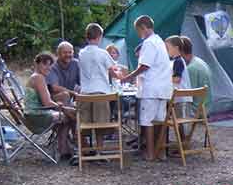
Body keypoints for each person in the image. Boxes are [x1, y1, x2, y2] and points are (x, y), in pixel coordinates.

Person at [121, 15, 172, 162]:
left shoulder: (149, 43)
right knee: (159, 120)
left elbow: (144, 65)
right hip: (163, 88)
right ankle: (160, 152)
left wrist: (129, 77)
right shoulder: (160, 41)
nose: (138, 34)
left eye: (138, 31)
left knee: (147, 121)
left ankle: (149, 153)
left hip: (151, 88)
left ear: (143, 27)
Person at [25, 52, 76, 159]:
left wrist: (63, 106)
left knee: (68, 114)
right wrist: (65, 108)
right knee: (70, 116)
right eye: (45, 64)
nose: (48, 68)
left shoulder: (35, 77)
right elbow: (47, 103)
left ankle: (66, 148)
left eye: (50, 65)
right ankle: (72, 146)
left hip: (32, 113)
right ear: (37, 64)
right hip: (37, 116)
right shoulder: (38, 78)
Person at [79, 23, 119, 151]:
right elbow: (113, 72)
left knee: (85, 123)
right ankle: (100, 150)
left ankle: (85, 150)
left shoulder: (81, 53)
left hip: (85, 92)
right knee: (101, 123)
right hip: (101, 91)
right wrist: (121, 74)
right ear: (99, 36)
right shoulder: (102, 53)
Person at [180, 35, 212, 113]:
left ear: (181, 51)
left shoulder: (191, 68)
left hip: (197, 110)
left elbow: (188, 95)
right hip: (206, 107)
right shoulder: (200, 61)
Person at [165, 35, 192, 118]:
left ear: (176, 48)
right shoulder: (173, 61)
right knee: (178, 122)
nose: (166, 50)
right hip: (177, 98)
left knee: (182, 123)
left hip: (182, 98)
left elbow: (177, 79)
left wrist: (163, 79)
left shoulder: (178, 61)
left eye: (167, 47)